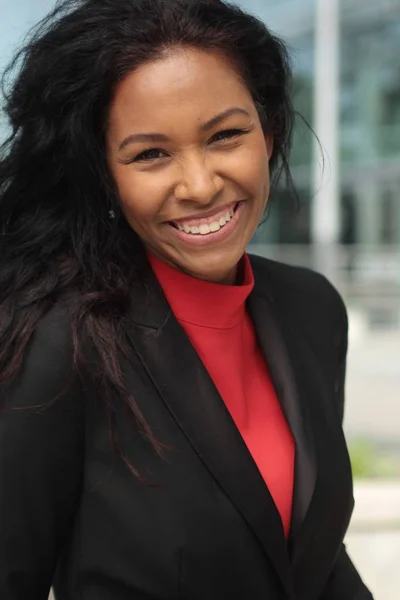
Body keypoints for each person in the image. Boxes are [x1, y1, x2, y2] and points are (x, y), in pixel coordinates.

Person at [0, 1, 374, 599]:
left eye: (226, 135)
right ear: (103, 176)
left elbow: (310, 552)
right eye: (151, 154)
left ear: (269, 133)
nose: (200, 185)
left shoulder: (313, 308)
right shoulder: (56, 341)